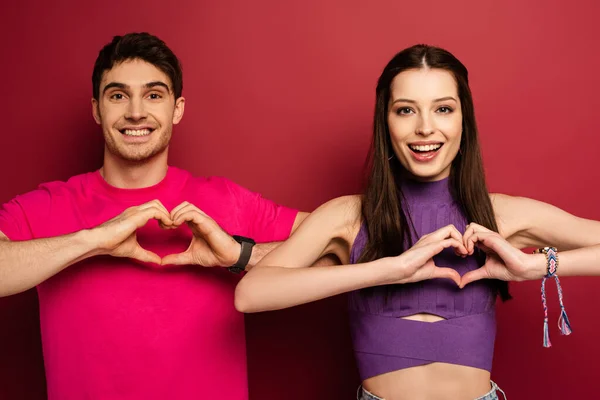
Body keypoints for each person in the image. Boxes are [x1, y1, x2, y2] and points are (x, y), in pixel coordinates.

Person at [234, 44, 600, 400]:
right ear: (385, 121)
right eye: (406, 110)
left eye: (443, 108)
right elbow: (251, 294)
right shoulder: (347, 215)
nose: (425, 128)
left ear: (463, 119)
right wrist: (386, 270)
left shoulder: (500, 214)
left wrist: (536, 265)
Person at [0, 32, 317, 400]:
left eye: (153, 95)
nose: (136, 111)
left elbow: (348, 241)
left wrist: (239, 255)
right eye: (118, 95)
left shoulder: (225, 200)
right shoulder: (48, 205)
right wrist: (90, 241)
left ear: (177, 108)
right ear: (96, 109)